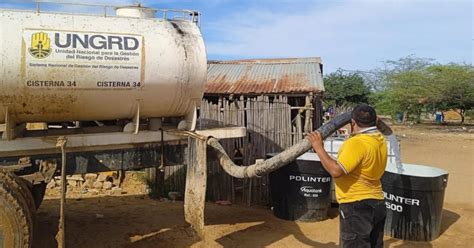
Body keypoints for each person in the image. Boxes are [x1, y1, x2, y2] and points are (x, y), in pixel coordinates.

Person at [307, 104, 388, 248]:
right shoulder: (379, 140)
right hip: (377, 203)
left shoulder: (356, 143)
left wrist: (318, 148)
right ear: (375, 121)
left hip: (357, 206)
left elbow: (336, 171)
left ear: (353, 123)